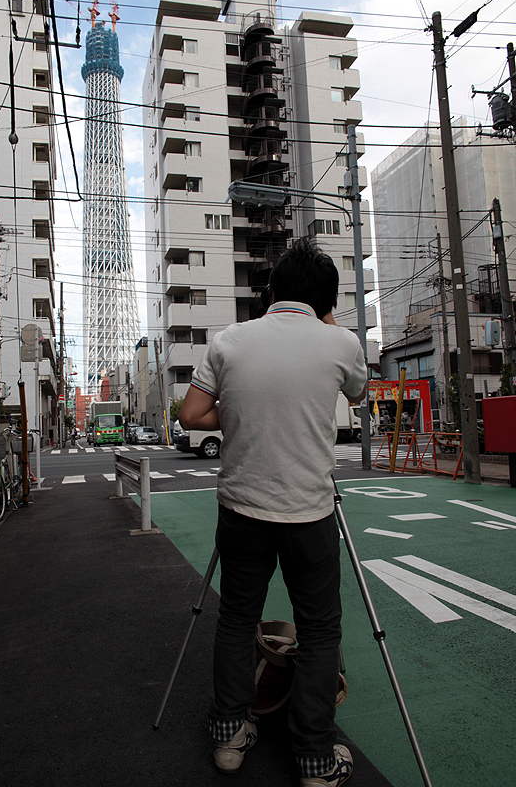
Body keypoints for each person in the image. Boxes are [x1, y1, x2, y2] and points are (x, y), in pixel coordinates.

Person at [179, 238, 367, 787]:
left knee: (237, 620)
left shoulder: (229, 340)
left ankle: (229, 739)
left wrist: (238, 416)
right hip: (309, 513)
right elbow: (357, 394)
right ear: (326, 302)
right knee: (320, 629)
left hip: (241, 510)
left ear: (272, 293)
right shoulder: (341, 342)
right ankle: (313, 757)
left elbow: (192, 414)